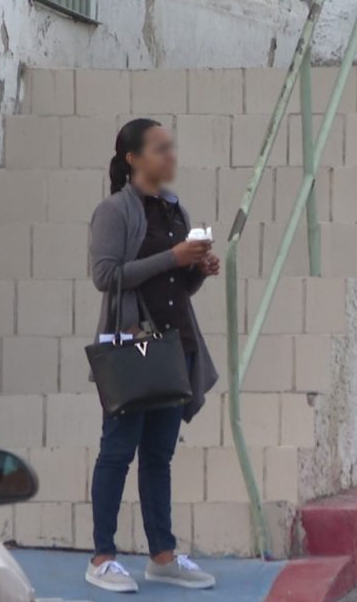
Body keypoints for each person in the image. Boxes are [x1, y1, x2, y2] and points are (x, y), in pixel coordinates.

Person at [85, 118, 220, 592]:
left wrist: (199, 269)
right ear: (133, 159)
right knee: (117, 451)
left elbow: (176, 285)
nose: (170, 156)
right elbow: (105, 275)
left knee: (159, 455)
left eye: (171, 148)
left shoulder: (173, 210)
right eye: (160, 149)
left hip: (172, 346)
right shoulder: (114, 212)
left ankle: (162, 555)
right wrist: (174, 257)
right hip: (131, 347)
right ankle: (102, 556)